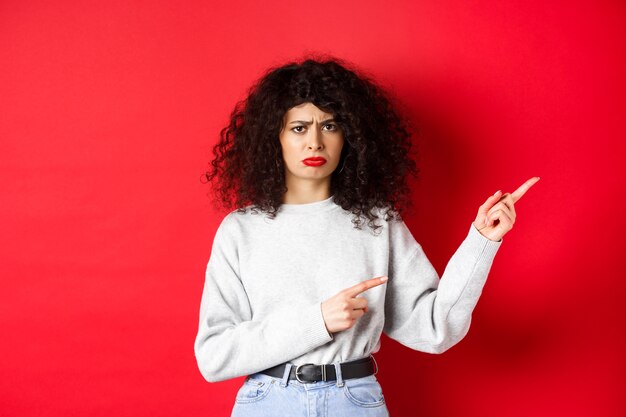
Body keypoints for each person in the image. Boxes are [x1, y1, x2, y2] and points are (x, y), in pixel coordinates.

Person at [194, 55, 539, 417]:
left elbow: (436, 328)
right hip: (268, 402)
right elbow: (214, 356)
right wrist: (318, 322)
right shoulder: (240, 230)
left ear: (349, 136)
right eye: (298, 128)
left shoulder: (376, 221)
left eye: (329, 126)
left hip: (353, 402)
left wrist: (481, 242)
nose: (314, 142)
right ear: (274, 137)